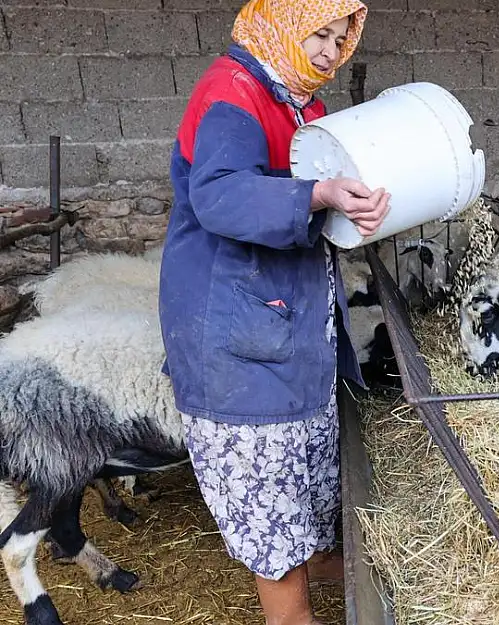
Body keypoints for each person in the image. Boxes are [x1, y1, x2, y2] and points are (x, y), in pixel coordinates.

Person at [157, 0, 389, 622]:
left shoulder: (298, 102)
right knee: (272, 512)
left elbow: (320, 193)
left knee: (301, 489)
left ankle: (320, 575)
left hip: (283, 328)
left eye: (341, 39)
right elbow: (222, 194)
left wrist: (356, 202)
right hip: (240, 341)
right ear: (284, 22)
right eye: (319, 33)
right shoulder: (232, 93)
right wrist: (318, 193)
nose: (329, 52)